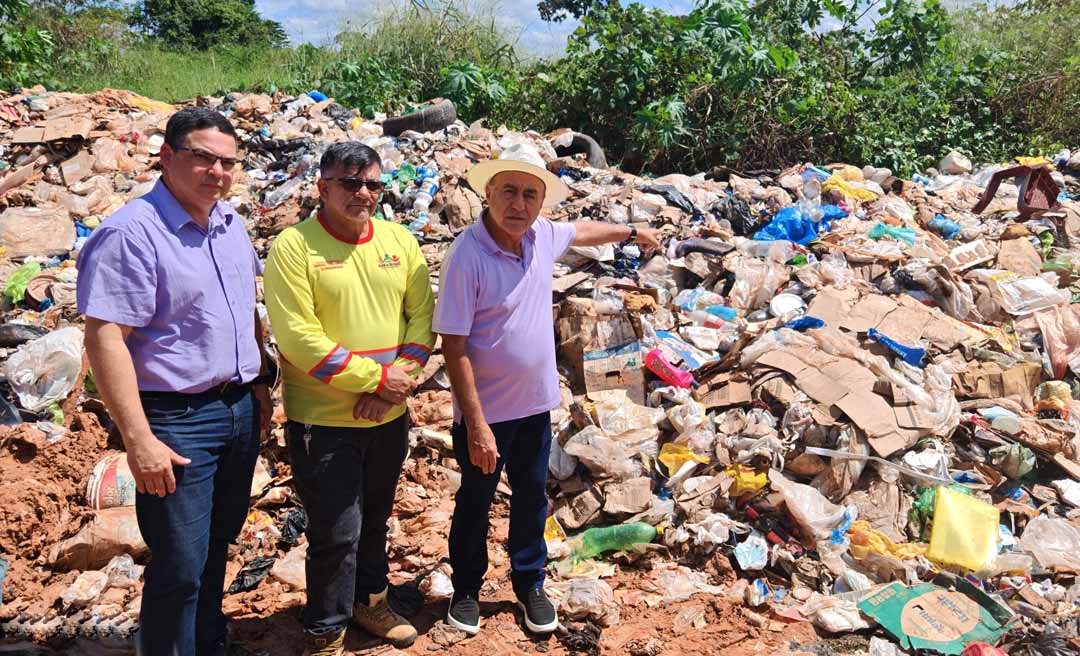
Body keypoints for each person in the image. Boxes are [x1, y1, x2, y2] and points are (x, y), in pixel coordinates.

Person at [433, 143, 661, 636]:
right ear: (488, 194)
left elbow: (580, 231)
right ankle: (468, 590)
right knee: (475, 500)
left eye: (530, 195)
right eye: (509, 192)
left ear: (541, 203)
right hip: (485, 414)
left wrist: (632, 231)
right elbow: (453, 345)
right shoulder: (467, 256)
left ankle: (530, 583)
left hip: (536, 406)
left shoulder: (539, 236)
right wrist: (476, 425)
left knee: (533, 496)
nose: (519, 204)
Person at [77, 106, 273, 656]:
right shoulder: (131, 234)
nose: (217, 172)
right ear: (167, 157)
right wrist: (138, 441)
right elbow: (106, 338)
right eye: (202, 158)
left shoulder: (230, 225)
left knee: (215, 548)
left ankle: (208, 642)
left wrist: (259, 386)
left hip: (237, 410)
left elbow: (244, 310)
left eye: (227, 163)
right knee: (179, 564)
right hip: (176, 421)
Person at [263, 142, 435, 655]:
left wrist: (392, 388)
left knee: (377, 519)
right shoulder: (295, 247)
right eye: (350, 183)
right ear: (322, 187)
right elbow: (299, 337)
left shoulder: (400, 241)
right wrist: (376, 381)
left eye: (373, 185)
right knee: (336, 531)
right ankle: (325, 632)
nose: (363, 194)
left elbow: (422, 320)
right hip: (324, 419)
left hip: (387, 416)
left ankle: (369, 602)